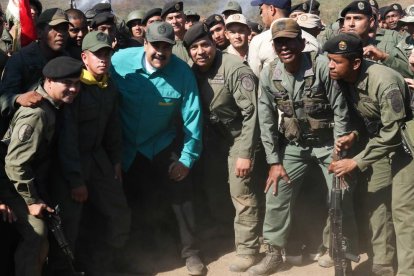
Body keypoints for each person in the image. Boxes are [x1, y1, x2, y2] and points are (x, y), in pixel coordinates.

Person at [248, 18, 356, 276]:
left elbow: (340, 112)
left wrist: (339, 155)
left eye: (290, 41)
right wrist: (274, 162)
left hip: (328, 143)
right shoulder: (269, 74)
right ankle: (274, 252)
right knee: (275, 191)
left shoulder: (320, 67)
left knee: (340, 191)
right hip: (294, 145)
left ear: (301, 42)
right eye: (279, 42)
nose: (285, 47)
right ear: (274, 46)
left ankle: (337, 249)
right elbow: (266, 120)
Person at [110, 21, 204, 275]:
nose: (160, 52)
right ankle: (131, 255)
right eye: (155, 46)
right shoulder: (118, 61)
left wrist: (186, 159)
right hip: (126, 147)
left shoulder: (182, 73)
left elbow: (193, 119)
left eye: (167, 47)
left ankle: (191, 252)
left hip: (160, 142)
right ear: (145, 43)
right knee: (130, 201)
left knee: (181, 189)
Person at [326, 32, 414, 276]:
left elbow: (394, 132)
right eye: (329, 59)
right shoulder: (345, 77)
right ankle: (382, 265)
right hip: (381, 144)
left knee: (403, 210)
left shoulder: (384, 81)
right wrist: (353, 134)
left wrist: (356, 161)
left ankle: (408, 270)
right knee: (376, 204)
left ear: (355, 62)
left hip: (407, 145)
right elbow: (364, 116)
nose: (330, 65)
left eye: (336, 61)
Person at [48, 31, 131, 275]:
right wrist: (75, 180)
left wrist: (115, 161)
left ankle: (108, 264)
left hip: (99, 158)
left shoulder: (109, 84)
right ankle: (64, 270)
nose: (103, 59)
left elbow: (113, 127)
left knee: (118, 211)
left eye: (107, 53)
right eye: (97, 55)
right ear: (85, 57)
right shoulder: (75, 86)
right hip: (71, 162)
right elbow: (67, 138)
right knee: (70, 223)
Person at [184, 22, 262, 273]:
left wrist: (245, 153)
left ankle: (248, 249)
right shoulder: (192, 72)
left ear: (214, 43)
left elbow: (253, 115)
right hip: (212, 140)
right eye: (194, 47)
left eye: (205, 44)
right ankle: (225, 232)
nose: (200, 51)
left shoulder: (234, 69)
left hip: (239, 137)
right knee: (214, 189)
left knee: (242, 193)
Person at [0, 56, 83, 276]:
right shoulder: (36, 114)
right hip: (10, 184)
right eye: (67, 83)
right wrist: (32, 201)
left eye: (77, 83)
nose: (74, 89)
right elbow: (15, 165)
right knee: (36, 234)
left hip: (31, 179)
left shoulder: (53, 104)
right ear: (49, 81)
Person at [0, 8, 71, 135]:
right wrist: (18, 98)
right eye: (55, 28)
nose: (61, 33)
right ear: (39, 32)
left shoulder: (69, 62)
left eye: (64, 29)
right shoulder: (20, 60)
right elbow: (3, 99)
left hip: (59, 133)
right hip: (27, 132)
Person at [341, 1, 413, 78]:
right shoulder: (335, 48)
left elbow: (410, 72)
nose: (351, 24)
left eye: (357, 18)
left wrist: (384, 58)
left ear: (371, 22)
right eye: (348, 18)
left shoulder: (384, 50)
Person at [248, 0, 319, 78]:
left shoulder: (258, 41)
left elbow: (255, 77)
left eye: (262, 10)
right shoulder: (312, 39)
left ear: (272, 9)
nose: (261, 15)